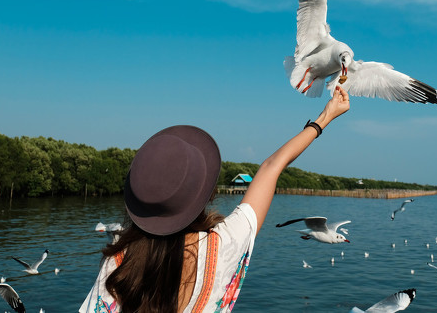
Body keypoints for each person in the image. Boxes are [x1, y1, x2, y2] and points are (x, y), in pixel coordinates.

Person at [80, 86, 350, 313]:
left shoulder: (118, 268)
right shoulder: (223, 246)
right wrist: (323, 119)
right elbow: (271, 167)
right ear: (206, 196)